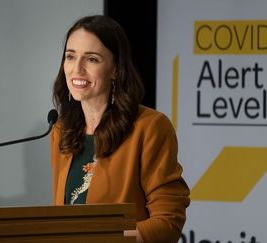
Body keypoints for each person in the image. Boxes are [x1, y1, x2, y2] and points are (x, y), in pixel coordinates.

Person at [50, 15, 190, 243]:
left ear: (116, 69)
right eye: (70, 56)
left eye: (92, 59)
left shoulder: (150, 127)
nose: (77, 69)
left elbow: (168, 220)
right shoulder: (62, 130)